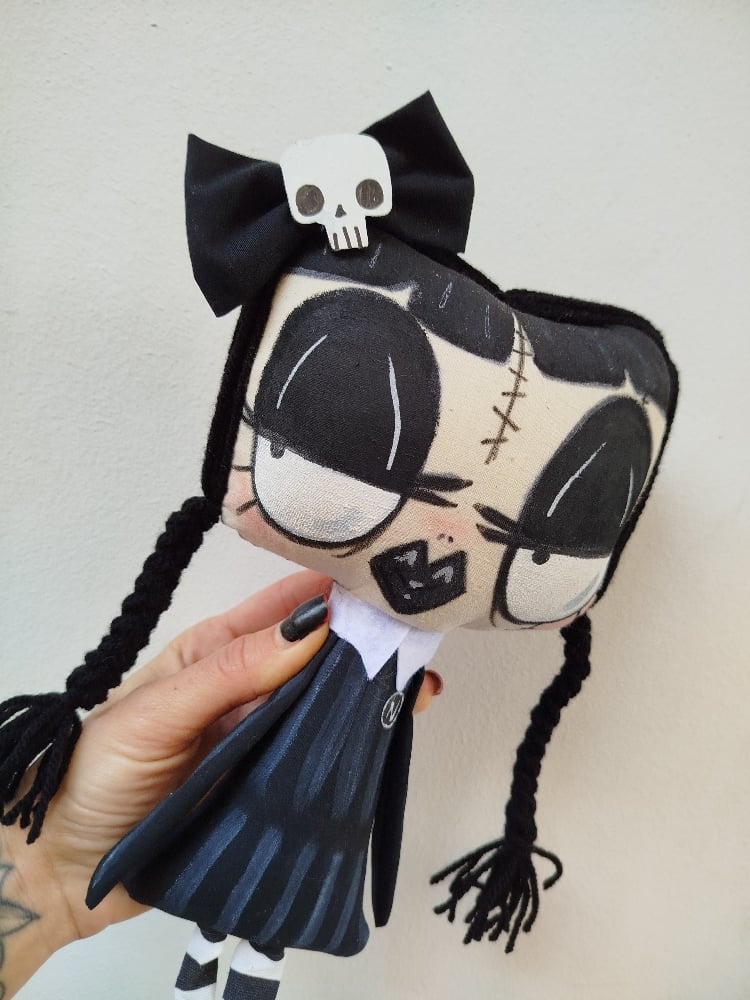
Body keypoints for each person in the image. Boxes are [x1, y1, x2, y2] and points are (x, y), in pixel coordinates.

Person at [0, 570, 441, 999]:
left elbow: (393, 785)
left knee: (264, 943)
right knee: (224, 928)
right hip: (254, 824)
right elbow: (237, 746)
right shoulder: (330, 654)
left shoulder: (401, 679)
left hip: (326, 850)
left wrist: (48, 864)